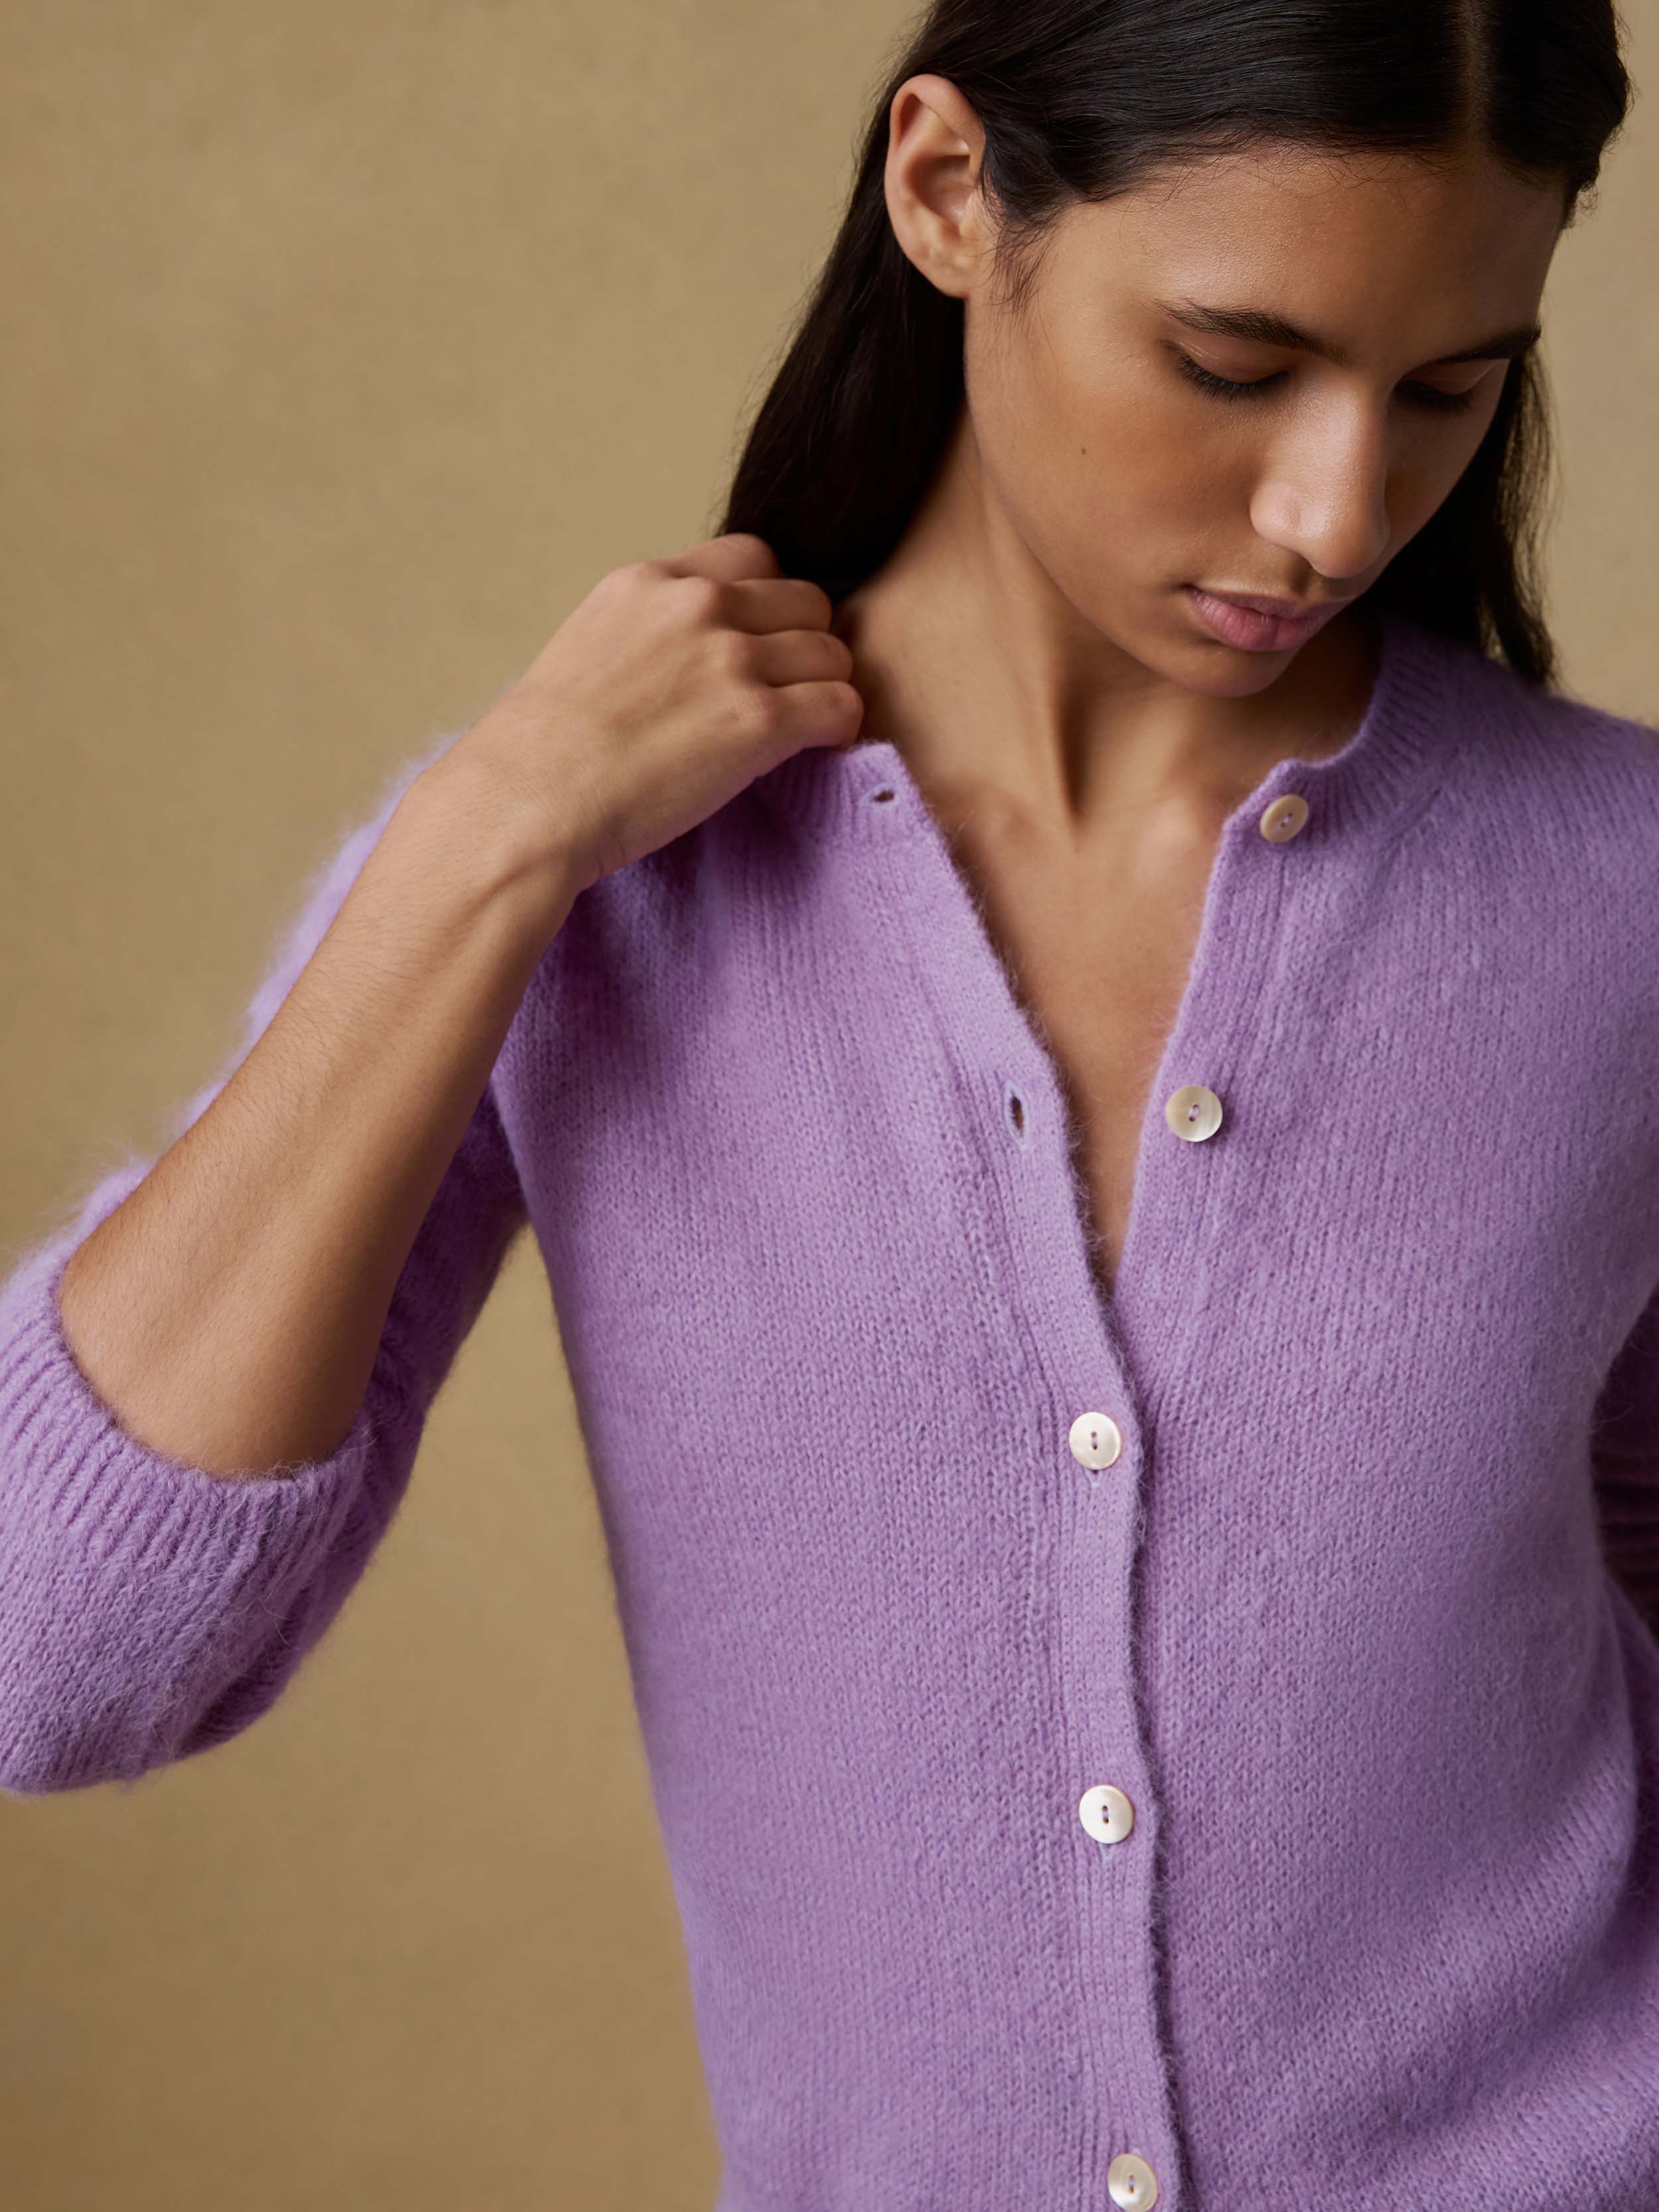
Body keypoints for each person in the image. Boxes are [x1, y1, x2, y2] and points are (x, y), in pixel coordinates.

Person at [2, 3, 1655, 2206]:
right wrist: (480, 844)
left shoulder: (1611, 899)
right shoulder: (595, 891)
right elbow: (60, 1658)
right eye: (1235, 365)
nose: (1332, 507)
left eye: (1450, 388)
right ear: (949, 193)